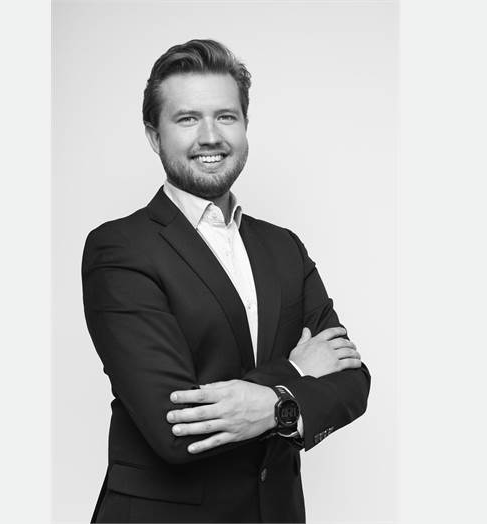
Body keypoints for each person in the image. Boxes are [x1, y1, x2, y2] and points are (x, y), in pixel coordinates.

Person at [82, 38, 371, 523]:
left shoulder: (283, 247)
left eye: (226, 116)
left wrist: (271, 404)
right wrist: (295, 374)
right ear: (154, 136)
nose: (210, 136)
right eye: (187, 118)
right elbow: (178, 428)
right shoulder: (119, 249)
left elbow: (351, 380)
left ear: (244, 126)